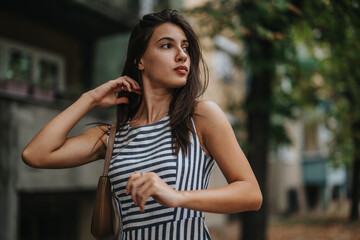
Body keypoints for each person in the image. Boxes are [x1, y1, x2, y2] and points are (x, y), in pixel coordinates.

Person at [22, 9, 262, 240]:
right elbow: (35, 155)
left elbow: (251, 193)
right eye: (167, 45)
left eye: (185, 47)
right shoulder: (112, 136)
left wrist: (176, 197)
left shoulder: (200, 116)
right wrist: (90, 99)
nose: (182, 55)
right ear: (140, 61)